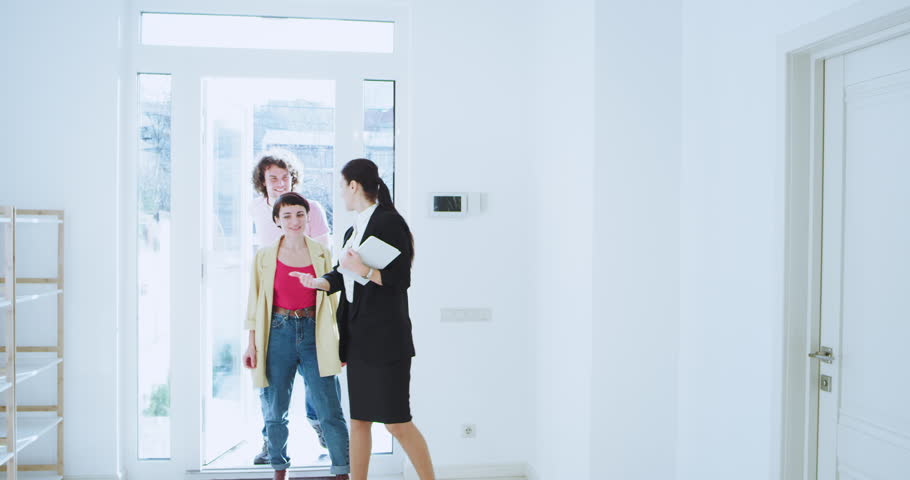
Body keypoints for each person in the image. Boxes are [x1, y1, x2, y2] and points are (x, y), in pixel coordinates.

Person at [293, 159, 435, 480]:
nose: (341, 193)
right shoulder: (352, 229)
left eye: (342, 186)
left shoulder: (388, 222)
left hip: (386, 341)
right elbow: (343, 276)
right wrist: (320, 282)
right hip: (358, 339)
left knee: (397, 422)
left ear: (354, 186)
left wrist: (365, 271)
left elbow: (399, 279)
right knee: (358, 421)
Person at [243, 192, 350, 480]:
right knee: (275, 409)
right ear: (277, 220)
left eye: (300, 214)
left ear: (308, 217)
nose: (295, 221)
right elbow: (255, 301)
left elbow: (334, 300)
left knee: (329, 409)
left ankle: (342, 472)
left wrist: (340, 345)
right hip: (277, 334)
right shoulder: (265, 256)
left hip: (315, 333)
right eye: (287, 216)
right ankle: (279, 471)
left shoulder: (321, 252)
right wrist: (252, 343)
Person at [248, 150, 331, 464]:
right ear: (263, 182)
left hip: (310, 308)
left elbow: (326, 257)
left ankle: (320, 426)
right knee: (270, 384)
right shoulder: (256, 209)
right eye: (273, 179)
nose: (280, 184)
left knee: (316, 379)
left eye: (285, 178)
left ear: (293, 179)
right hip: (272, 309)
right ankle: (271, 445)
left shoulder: (311, 210)